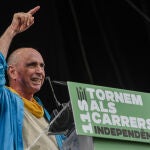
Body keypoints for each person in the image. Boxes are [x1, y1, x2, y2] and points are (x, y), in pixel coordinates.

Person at [0, 6, 65, 150]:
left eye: (42, 66)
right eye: (32, 65)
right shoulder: (5, 100)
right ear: (12, 72)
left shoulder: (45, 113)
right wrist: (11, 31)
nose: (40, 71)